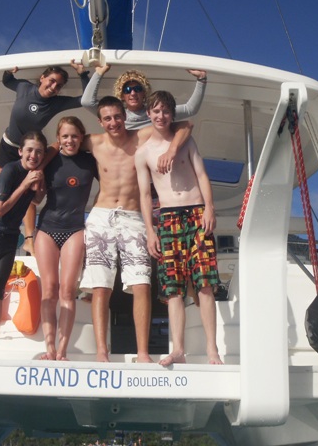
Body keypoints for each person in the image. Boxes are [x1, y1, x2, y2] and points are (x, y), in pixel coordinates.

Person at [79, 96, 193, 363]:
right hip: (101, 216)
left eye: (117, 116)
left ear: (125, 116)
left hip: (133, 217)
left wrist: (172, 150)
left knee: (141, 284)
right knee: (100, 286)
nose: (113, 122)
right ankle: (101, 353)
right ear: (100, 122)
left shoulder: (141, 136)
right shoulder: (93, 142)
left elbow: (186, 125)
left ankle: (143, 353)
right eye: (107, 118)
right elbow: (62, 141)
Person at [135, 90, 223, 366]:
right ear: (148, 114)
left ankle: (212, 350)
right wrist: (150, 230)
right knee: (173, 287)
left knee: (205, 283)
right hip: (168, 218)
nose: (161, 116)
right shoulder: (143, 153)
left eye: (165, 111)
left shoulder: (185, 141)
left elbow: (202, 175)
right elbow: (145, 195)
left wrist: (210, 208)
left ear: (172, 114)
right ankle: (178, 350)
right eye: (156, 111)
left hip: (197, 213)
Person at [0, 131, 48, 359]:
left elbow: (36, 200)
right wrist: (24, 185)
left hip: (10, 235)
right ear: (20, 151)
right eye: (29, 150)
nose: (33, 155)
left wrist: (39, 185)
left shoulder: (35, 174)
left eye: (39, 152)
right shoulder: (11, 171)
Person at [0, 61, 90, 256]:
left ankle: (29, 240)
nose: (54, 87)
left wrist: (83, 75)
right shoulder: (24, 88)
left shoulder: (55, 103)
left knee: (27, 194)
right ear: (42, 78)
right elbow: (7, 82)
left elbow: (84, 99)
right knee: (3, 192)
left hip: (31, 153)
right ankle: (1, 233)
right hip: (9, 147)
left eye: (59, 85)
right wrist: (9, 71)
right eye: (52, 81)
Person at [36, 117, 98, 361]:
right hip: (47, 229)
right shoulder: (50, 160)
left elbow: (111, 183)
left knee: (67, 291)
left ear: (81, 137)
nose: (70, 140)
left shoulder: (90, 161)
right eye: (65, 136)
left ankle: (62, 350)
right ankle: (49, 348)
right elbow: (33, 196)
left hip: (74, 229)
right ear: (58, 139)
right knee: (49, 290)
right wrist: (29, 235)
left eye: (74, 136)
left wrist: (98, 205)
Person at [81, 65, 207, 130]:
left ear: (144, 93)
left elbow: (191, 109)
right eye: (127, 90)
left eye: (137, 89)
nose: (133, 93)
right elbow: (87, 102)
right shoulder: (116, 115)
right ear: (122, 95)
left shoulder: (157, 113)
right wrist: (99, 73)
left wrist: (201, 79)